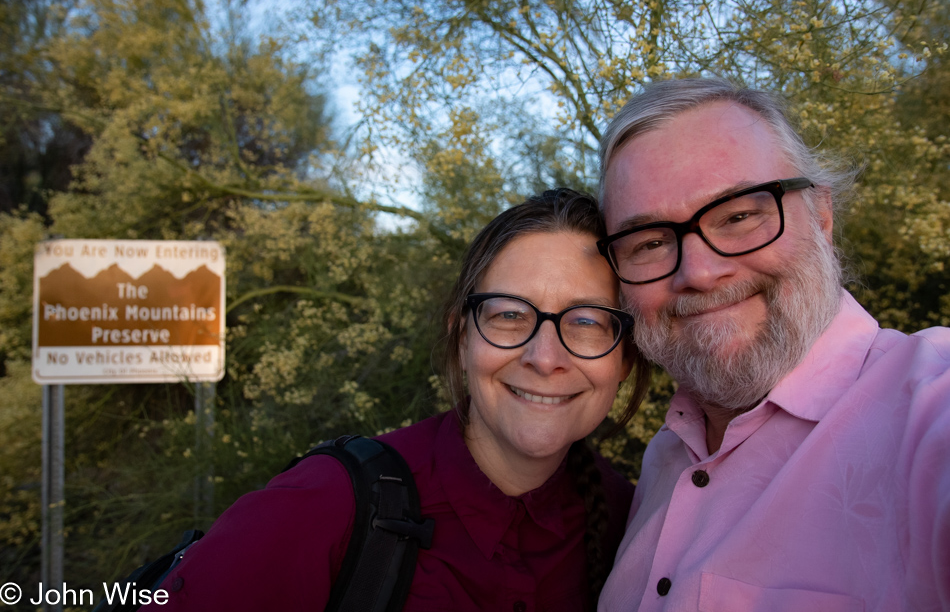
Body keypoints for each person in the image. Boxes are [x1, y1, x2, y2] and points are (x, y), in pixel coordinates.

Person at [143, 188, 651, 612]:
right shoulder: (327, 506)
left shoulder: (640, 523)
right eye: (509, 315)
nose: (545, 357)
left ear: (625, 356)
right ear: (461, 337)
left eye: (586, 321)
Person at [595, 76, 950, 612]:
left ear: (822, 218)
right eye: (648, 243)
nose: (699, 271)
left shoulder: (928, 407)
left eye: (738, 216)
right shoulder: (663, 461)